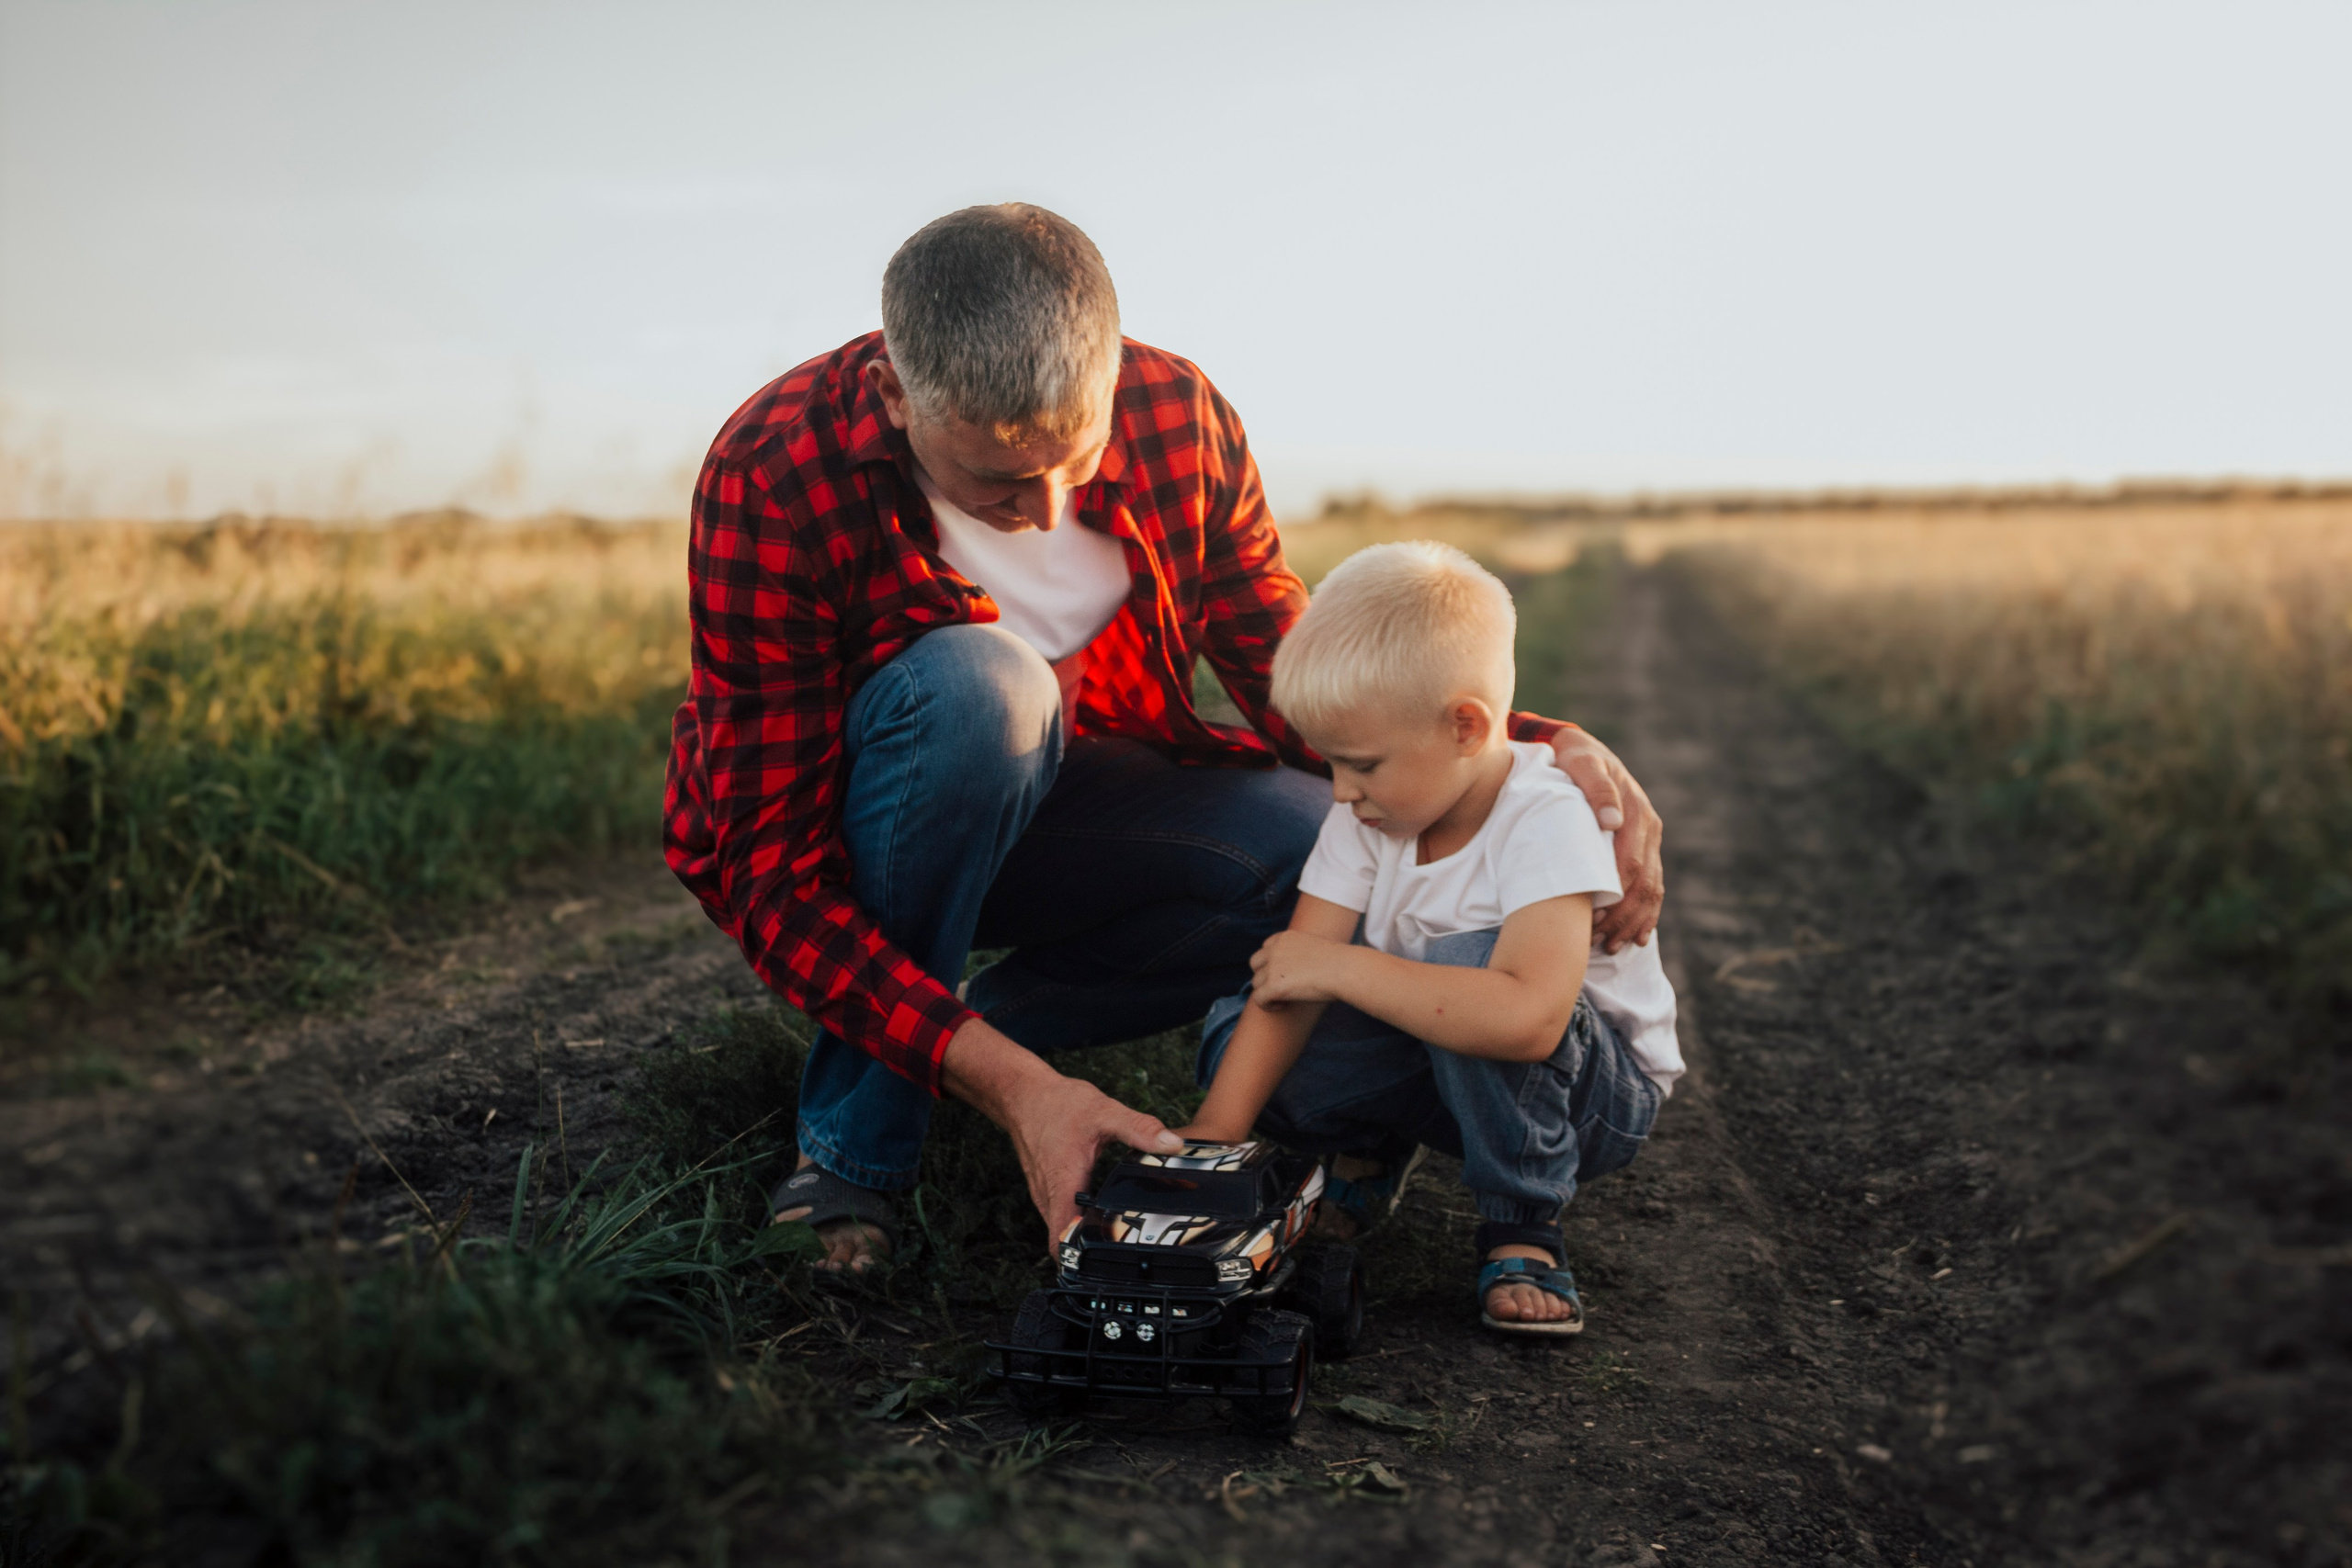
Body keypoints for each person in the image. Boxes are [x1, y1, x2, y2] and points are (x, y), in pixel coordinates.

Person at [662, 202, 1666, 1274]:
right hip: (882, 824)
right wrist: (1024, 1096)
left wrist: (1521, 746)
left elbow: (1285, 666)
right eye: (998, 483)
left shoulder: (1178, 413)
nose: (1047, 513)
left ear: (1112, 374)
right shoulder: (772, 469)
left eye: (1077, 462)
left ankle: (976, 1034)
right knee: (981, 690)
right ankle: (853, 1146)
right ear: (893, 395)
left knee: (1310, 842)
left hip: (1078, 808)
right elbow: (774, 872)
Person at [1176, 540, 1682, 1334]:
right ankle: (1372, 1148)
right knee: (1244, 1024)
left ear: (1465, 726)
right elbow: (1294, 980)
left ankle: (1524, 1221)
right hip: (1451, 1054)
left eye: (1362, 764)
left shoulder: (1547, 815)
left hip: (1589, 1098)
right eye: (1331, 764)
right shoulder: (1368, 816)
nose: (1340, 791)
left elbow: (1528, 1020)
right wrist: (1214, 1137)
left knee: (1464, 962)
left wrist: (1341, 968)